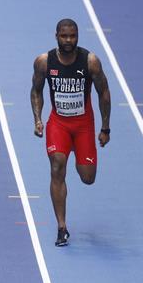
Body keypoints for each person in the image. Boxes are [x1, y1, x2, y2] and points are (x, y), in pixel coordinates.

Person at [30, 19, 111, 247]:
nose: (69, 40)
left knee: (88, 178)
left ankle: (77, 154)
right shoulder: (44, 62)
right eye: (64, 36)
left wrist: (105, 127)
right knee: (57, 166)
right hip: (59, 124)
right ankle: (62, 228)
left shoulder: (90, 62)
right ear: (56, 35)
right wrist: (37, 118)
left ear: (77, 36)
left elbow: (103, 92)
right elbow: (36, 91)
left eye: (73, 36)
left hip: (84, 125)